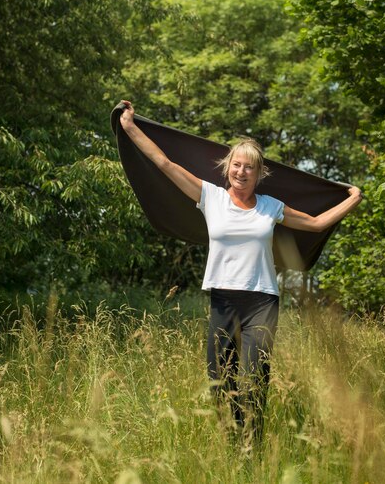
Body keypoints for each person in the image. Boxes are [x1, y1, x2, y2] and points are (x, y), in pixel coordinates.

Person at [118, 100, 363, 446]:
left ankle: (253, 447)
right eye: (237, 165)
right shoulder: (211, 198)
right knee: (219, 378)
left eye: (250, 167)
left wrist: (354, 197)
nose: (242, 172)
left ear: (259, 173)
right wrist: (129, 126)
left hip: (262, 301)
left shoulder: (270, 207)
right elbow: (164, 163)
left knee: (254, 377)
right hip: (223, 300)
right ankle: (232, 441)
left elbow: (317, 222)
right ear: (227, 167)